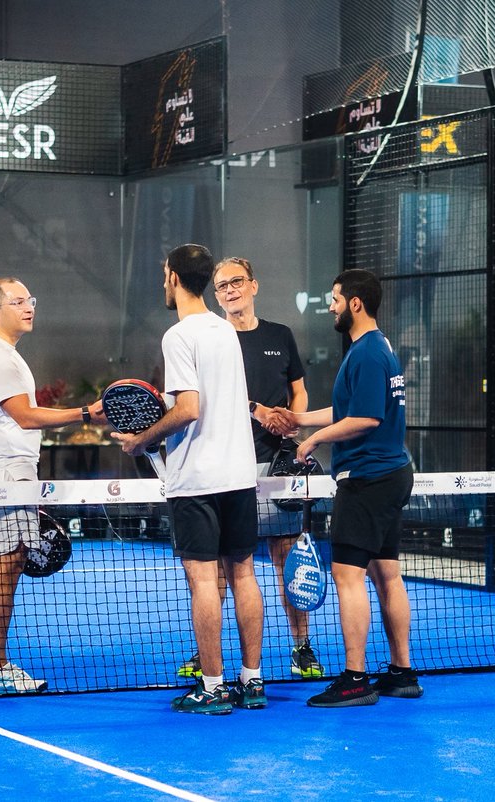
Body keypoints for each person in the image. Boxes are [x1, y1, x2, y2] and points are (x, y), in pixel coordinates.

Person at [113, 244, 264, 715]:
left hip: (197, 480)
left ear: (174, 277)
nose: (163, 283)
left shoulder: (178, 336)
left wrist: (141, 441)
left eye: (164, 275)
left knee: (203, 579)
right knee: (242, 573)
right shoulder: (225, 331)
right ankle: (252, 681)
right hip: (239, 475)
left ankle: (213, 687)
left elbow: (190, 408)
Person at [0, 277, 107, 694]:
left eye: (30, 300)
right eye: (18, 301)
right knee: (5, 568)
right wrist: (85, 414)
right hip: (6, 473)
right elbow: (25, 415)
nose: (29, 307)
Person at [175, 256, 324, 681]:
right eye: (221, 286)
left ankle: (301, 648)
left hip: (277, 465)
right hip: (227, 467)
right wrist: (258, 411)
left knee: (286, 561)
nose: (229, 290)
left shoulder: (280, 335)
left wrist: (291, 423)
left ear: (253, 285)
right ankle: (209, 659)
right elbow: (203, 399)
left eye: (236, 282)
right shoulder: (213, 338)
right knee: (220, 568)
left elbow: (299, 390)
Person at [278, 268, 422, 708]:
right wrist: (297, 419)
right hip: (388, 474)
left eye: (336, 299)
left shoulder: (367, 354)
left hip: (368, 479)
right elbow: (347, 408)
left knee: (347, 575)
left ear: (355, 303)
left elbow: (366, 419)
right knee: (386, 573)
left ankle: (355, 679)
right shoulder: (376, 349)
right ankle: (401, 673)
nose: (332, 307)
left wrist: (313, 441)